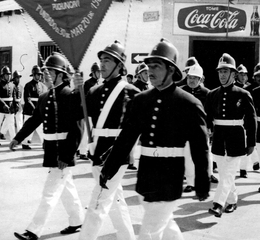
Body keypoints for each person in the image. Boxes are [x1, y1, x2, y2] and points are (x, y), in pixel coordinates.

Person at [99, 38, 210, 240]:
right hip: (146, 174)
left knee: (149, 232)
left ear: (171, 70)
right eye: (149, 66)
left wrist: (202, 180)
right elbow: (126, 138)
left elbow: (200, 146)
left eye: (156, 66)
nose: (150, 71)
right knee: (165, 225)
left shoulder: (188, 103)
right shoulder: (141, 101)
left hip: (170, 177)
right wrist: (109, 168)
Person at [11, 52, 84, 240]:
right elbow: (34, 120)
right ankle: (77, 220)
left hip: (62, 152)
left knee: (49, 192)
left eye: (48, 72)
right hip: (51, 149)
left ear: (60, 74)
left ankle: (33, 230)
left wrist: (67, 156)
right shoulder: (44, 97)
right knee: (66, 188)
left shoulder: (70, 95)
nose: (44, 75)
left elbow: (77, 129)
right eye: (44, 72)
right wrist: (18, 138)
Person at [78, 40, 140, 240]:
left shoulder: (131, 91)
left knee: (98, 201)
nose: (102, 65)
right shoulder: (94, 91)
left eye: (107, 60)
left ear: (120, 65)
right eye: (101, 60)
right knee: (114, 200)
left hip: (117, 153)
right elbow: (79, 112)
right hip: (96, 150)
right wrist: (76, 89)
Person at [205, 53, 257, 218]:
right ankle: (233, 200)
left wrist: (251, 142)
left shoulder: (243, 94)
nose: (222, 75)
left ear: (234, 74)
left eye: (226, 71)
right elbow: (207, 117)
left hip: (236, 137)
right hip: (219, 139)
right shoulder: (212, 94)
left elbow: (251, 119)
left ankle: (218, 204)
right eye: (220, 71)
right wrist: (207, 131)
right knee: (224, 174)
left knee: (228, 174)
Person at [181, 64, 218, 193]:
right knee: (188, 156)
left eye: (195, 78)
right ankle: (191, 182)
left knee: (205, 155)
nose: (191, 80)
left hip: (202, 129)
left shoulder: (207, 93)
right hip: (185, 129)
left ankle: (207, 175)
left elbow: (211, 112)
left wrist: (210, 127)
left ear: (200, 79)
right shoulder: (181, 91)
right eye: (190, 77)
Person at [235, 64, 260, 177]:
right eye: (258, 76)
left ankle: (255, 163)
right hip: (249, 121)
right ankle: (243, 169)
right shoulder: (248, 90)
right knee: (248, 144)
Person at [77, 62, 101, 160]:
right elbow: (86, 98)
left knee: (92, 133)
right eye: (98, 72)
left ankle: (86, 150)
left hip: (95, 111)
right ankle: (83, 152)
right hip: (88, 111)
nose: (99, 74)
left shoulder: (98, 83)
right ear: (93, 72)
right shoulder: (88, 83)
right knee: (86, 133)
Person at [21, 65, 46, 149]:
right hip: (29, 110)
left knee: (40, 127)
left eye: (40, 74)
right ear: (34, 75)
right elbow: (27, 99)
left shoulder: (42, 86)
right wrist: (34, 108)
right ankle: (25, 143)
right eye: (37, 74)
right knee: (28, 126)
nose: (39, 76)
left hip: (39, 110)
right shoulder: (28, 85)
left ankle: (44, 143)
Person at [0, 66, 16, 145]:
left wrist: (14, 106)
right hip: (0, 107)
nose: (8, 76)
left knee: (11, 124)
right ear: (3, 75)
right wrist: (4, 104)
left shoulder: (12, 85)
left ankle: (13, 140)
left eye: (9, 74)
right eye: (6, 74)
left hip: (10, 107)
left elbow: (14, 97)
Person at [0, 70, 23, 136]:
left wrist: (20, 105)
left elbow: (20, 98)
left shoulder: (21, 87)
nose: (18, 79)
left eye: (19, 77)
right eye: (17, 78)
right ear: (14, 78)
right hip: (12, 105)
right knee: (8, 121)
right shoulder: (11, 85)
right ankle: (2, 132)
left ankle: (20, 135)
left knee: (19, 122)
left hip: (19, 105)